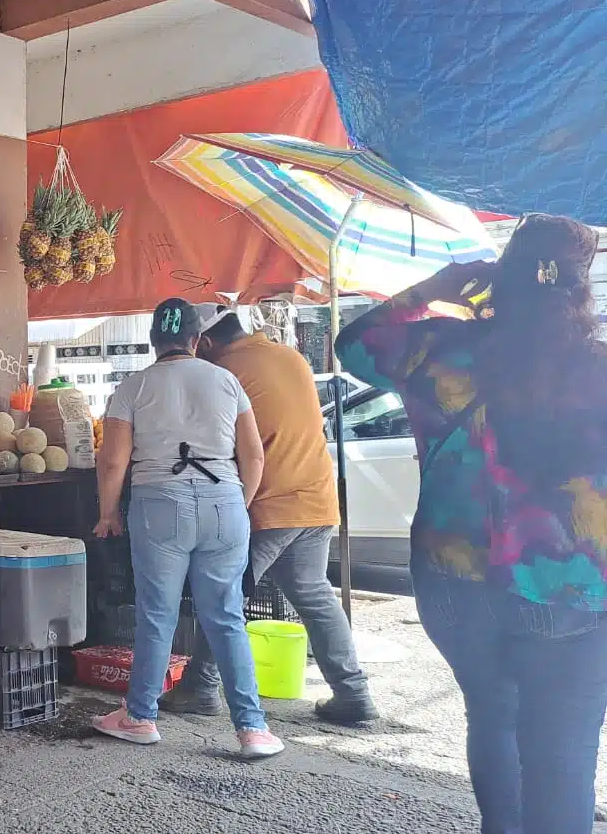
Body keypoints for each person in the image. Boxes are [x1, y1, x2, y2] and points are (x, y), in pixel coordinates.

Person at [336, 213, 607, 834]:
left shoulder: (439, 349)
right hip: (572, 590)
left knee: (492, 717)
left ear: (498, 278)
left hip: (456, 585)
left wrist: (433, 286)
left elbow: (352, 344)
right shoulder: (597, 367)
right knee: (562, 758)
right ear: (579, 288)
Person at [159, 304, 377, 724]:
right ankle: (354, 695)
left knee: (222, 594)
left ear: (202, 342)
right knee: (313, 595)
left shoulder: (224, 373)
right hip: (316, 499)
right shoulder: (289, 356)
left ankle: (200, 686)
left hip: (268, 502)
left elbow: (204, 442)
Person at [90, 297, 285, 758]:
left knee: (157, 614)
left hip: (159, 504)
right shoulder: (226, 381)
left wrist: (107, 513)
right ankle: (252, 728)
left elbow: (114, 459)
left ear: (153, 340)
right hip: (225, 501)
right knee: (226, 617)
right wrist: (238, 504)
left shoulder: (133, 386)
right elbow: (253, 456)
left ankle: (139, 716)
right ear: (196, 340)